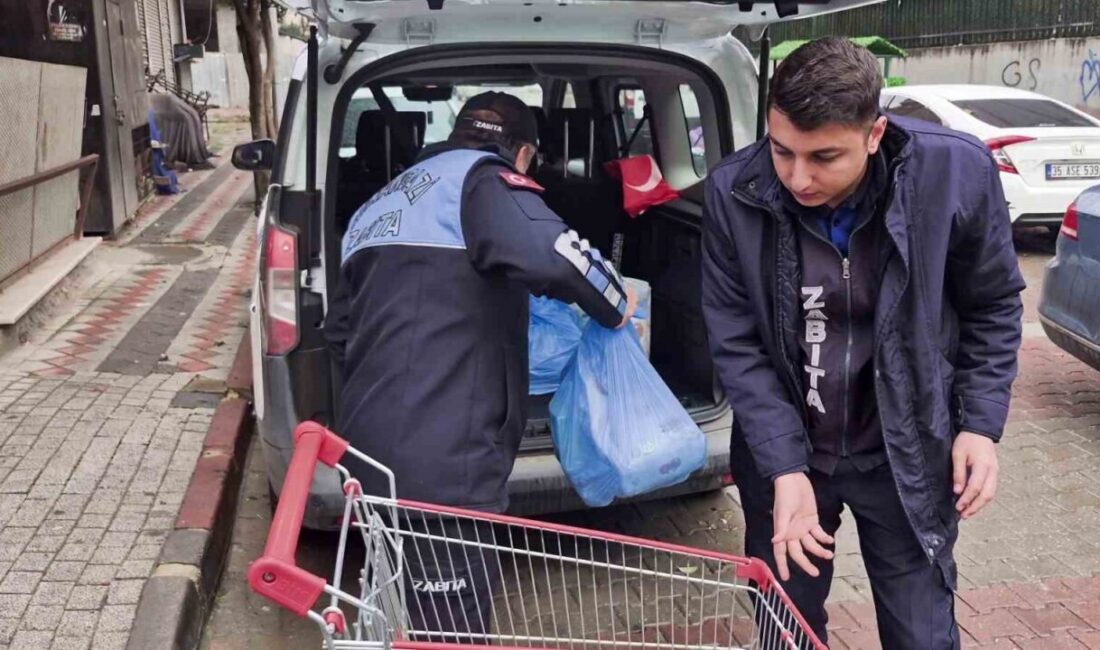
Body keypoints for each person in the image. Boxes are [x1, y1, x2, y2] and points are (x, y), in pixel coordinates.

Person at [701, 38, 1024, 648]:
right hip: (787, 456)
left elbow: (994, 303)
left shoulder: (953, 173)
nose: (798, 177)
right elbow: (736, 341)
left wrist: (980, 425)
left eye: (824, 156)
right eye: (781, 151)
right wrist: (782, 467)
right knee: (786, 629)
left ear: (875, 133)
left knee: (922, 633)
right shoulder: (732, 191)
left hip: (906, 454)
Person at [325, 91, 635, 642]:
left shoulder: (381, 201)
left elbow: (340, 334)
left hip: (367, 448)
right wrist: (614, 302)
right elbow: (559, 256)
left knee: (397, 607)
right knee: (451, 631)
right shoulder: (484, 182)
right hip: (445, 466)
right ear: (522, 156)